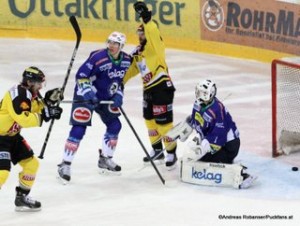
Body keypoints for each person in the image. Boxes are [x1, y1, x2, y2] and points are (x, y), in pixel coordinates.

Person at [57, 31, 131, 183]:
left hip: (106, 96)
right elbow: (81, 75)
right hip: (85, 94)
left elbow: (119, 81)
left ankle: (105, 158)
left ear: (121, 46)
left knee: (115, 125)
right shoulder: (97, 57)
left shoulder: (126, 60)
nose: (111, 45)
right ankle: (65, 164)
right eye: (109, 42)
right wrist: (88, 92)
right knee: (79, 128)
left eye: (115, 43)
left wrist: (118, 94)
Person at [167, 79, 256, 188]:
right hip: (212, 140)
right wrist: (183, 129)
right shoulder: (197, 104)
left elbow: (219, 135)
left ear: (207, 94)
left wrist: (203, 147)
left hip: (228, 145)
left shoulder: (217, 110)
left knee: (204, 159)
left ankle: (240, 175)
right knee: (196, 156)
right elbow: (195, 120)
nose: (197, 94)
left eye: (201, 92)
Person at [0, 66, 63, 211]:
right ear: (29, 82)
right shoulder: (18, 94)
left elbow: (31, 108)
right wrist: (46, 114)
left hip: (12, 137)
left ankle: (21, 198)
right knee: (2, 173)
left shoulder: (28, 93)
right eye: (38, 83)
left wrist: (46, 103)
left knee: (32, 164)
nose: (41, 86)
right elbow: (23, 118)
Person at [123, 1, 177, 169]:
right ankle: (157, 151)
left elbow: (153, 32)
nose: (140, 35)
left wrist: (147, 19)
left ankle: (171, 153)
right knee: (149, 121)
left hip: (161, 87)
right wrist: (119, 82)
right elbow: (131, 70)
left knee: (163, 124)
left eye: (143, 32)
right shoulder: (138, 52)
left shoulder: (156, 45)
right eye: (138, 33)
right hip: (148, 90)